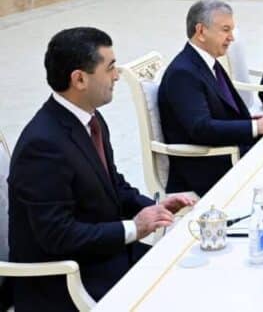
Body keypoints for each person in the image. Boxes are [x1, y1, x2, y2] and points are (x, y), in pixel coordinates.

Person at [7, 28, 195, 310]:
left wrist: (155, 208)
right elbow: (58, 235)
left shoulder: (91, 119)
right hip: (66, 280)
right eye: (110, 68)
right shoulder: (42, 145)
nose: (117, 76)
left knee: (189, 265)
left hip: (103, 254)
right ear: (79, 79)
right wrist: (134, 228)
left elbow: (113, 185)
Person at [159, 0, 263, 196]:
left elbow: (222, 112)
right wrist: (256, 127)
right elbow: (201, 129)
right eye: (225, 30)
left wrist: (256, 121)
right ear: (201, 31)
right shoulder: (183, 73)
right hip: (207, 167)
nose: (232, 38)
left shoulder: (207, 61)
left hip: (229, 150)